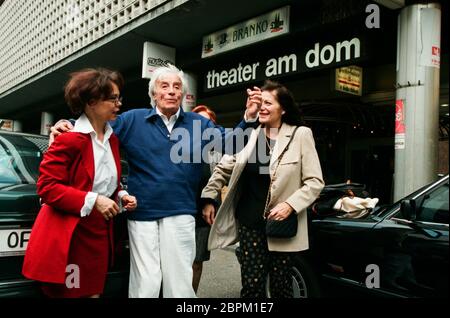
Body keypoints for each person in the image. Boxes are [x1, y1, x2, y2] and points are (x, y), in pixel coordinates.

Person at [50, 64, 261, 298]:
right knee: (146, 282)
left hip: (181, 210)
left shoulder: (198, 124)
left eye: (177, 87)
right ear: (154, 94)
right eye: (165, 86)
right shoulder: (132, 120)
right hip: (141, 212)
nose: (171, 91)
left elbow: (232, 144)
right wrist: (65, 123)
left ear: (183, 94)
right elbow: (96, 125)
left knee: (180, 283)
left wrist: (249, 118)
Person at [201, 80, 324, 298]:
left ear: (283, 109)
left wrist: (290, 205)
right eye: (260, 103)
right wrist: (209, 197)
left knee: (280, 287)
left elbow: (315, 181)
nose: (262, 107)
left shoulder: (301, 135)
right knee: (251, 287)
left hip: (281, 225)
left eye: (268, 103)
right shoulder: (250, 135)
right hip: (250, 224)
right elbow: (223, 168)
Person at [22, 68, 137, 298]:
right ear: (92, 102)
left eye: (119, 98)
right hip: (71, 235)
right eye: (113, 98)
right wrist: (94, 201)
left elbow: (105, 184)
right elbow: (47, 187)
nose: (119, 104)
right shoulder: (69, 139)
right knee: (72, 294)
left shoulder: (112, 138)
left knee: (94, 292)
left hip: (99, 233)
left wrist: (121, 196)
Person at [190, 105, 222, 293]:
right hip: (181, 208)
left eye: (208, 122)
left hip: (205, 211)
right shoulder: (180, 147)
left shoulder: (218, 149)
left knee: (197, 261)